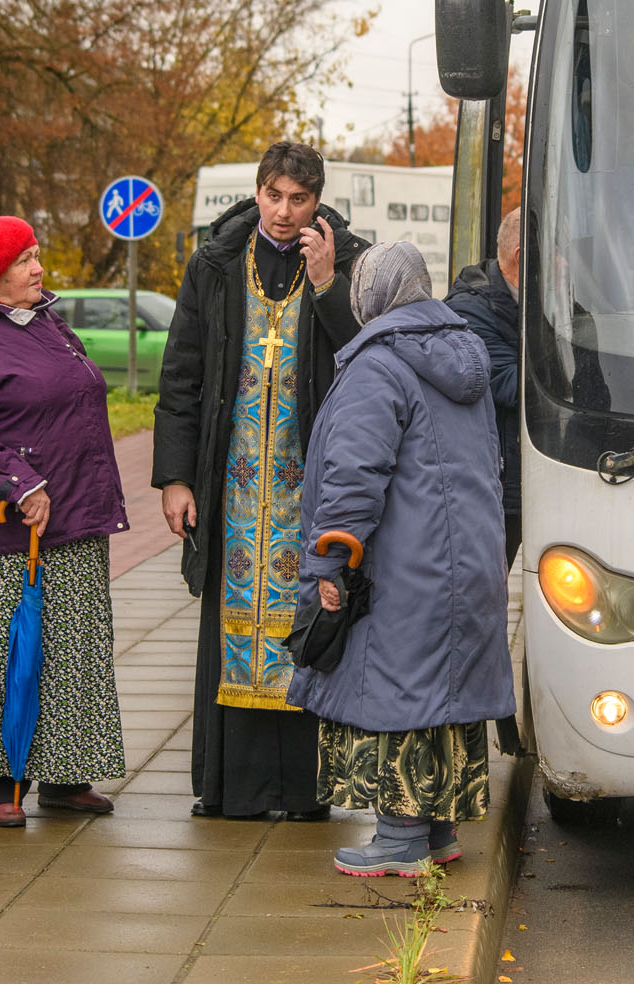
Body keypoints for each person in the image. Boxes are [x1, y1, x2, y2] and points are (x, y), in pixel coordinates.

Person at [153, 140, 370, 821]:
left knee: (311, 624)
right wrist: (175, 478)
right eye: (273, 196)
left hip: (312, 491)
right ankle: (236, 791)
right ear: (257, 191)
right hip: (233, 488)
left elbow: (364, 354)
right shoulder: (215, 264)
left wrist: (329, 280)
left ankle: (305, 792)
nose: (282, 212)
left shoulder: (348, 260)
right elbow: (181, 375)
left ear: (317, 201)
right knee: (233, 628)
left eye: (298, 200)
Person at [288, 241, 515, 877]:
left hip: (404, 564)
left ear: (372, 297)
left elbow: (354, 475)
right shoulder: (462, 355)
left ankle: (399, 838)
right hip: (465, 562)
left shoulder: (378, 365)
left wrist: (331, 561)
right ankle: (439, 830)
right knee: (443, 690)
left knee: (398, 688)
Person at [0, 217, 128, 828]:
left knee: (74, 650)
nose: (38, 269)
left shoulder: (43, 319)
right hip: (16, 527)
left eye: (36, 256)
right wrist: (20, 483)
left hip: (77, 511)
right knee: (8, 648)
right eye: (23, 261)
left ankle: (67, 779)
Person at [445, 207, 522, 566]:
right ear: (524, 257)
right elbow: (509, 384)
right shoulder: (471, 309)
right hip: (494, 482)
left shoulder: (537, 301)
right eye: (558, 253)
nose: (566, 264)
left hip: (522, 475)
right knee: (490, 584)